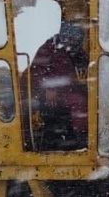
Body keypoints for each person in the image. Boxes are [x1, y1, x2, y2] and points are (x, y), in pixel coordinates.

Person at [29, 18, 89, 151]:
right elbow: (36, 73)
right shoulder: (48, 49)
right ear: (65, 36)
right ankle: (81, 137)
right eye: (72, 40)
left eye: (76, 41)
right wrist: (49, 88)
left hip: (70, 89)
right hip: (52, 94)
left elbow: (86, 64)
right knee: (79, 102)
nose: (74, 44)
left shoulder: (74, 52)